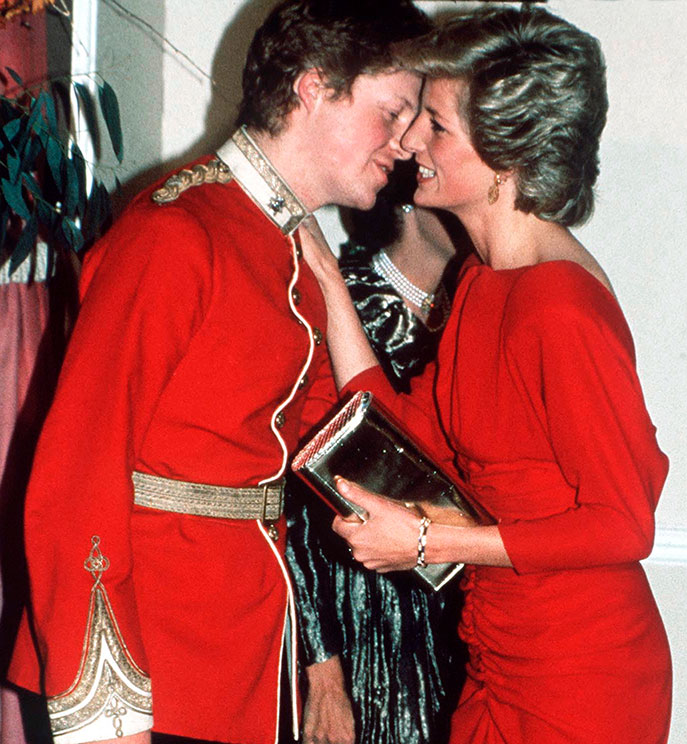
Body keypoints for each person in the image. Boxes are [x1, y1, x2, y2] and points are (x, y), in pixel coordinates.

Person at [6, 2, 430, 743]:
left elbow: (362, 453)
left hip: (247, 663)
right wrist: (110, 721)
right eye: (391, 111)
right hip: (162, 677)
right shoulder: (175, 234)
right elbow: (75, 485)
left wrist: (332, 293)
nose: (405, 142)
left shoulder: (285, 246)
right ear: (312, 88)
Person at [299, 6, 672, 744]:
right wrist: (325, 278)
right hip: (499, 656)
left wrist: (430, 545)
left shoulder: (557, 304)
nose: (408, 141)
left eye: (434, 125)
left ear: (507, 153)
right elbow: (415, 434)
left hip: (582, 678)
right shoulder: (479, 283)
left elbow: (624, 524)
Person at [286, 161, 469, 744]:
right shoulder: (333, 300)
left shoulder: (480, 308)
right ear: (408, 197)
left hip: (459, 626)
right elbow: (286, 502)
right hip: (355, 623)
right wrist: (323, 675)